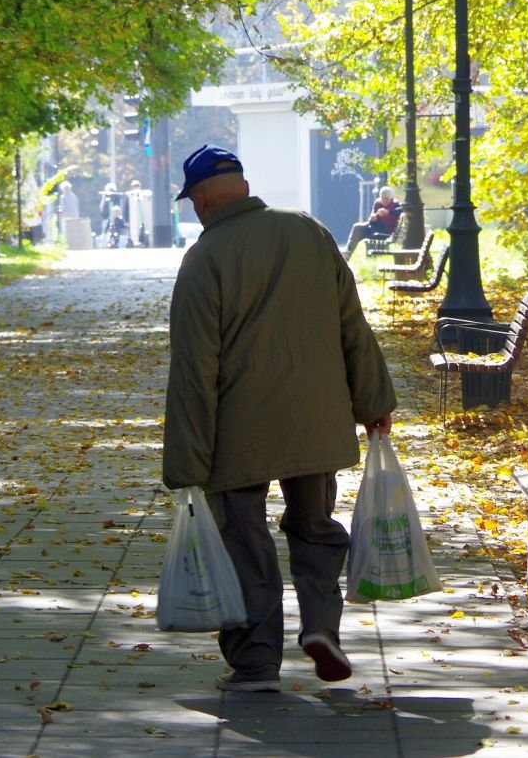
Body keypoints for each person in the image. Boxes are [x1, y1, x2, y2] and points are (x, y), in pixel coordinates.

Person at [163, 144, 397, 693]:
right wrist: (374, 403)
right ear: (244, 188)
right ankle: (320, 627)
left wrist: (187, 463)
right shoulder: (309, 232)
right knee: (314, 526)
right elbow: (352, 325)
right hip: (316, 419)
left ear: (200, 201)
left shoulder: (204, 259)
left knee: (243, 538)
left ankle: (256, 662)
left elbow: (194, 369)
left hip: (238, 430)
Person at [344, 186, 401, 257]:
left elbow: (400, 210)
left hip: (385, 230)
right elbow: (372, 215)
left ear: (391, 198)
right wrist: (373, 218)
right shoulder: (377, 203)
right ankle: (348, 253)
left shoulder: (396, 204)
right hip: (374, 227)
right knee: (357, 227)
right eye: (383, 198)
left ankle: (349, 253)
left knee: (362, 232)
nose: (385, 200)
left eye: (387, 198)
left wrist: (388, 212)